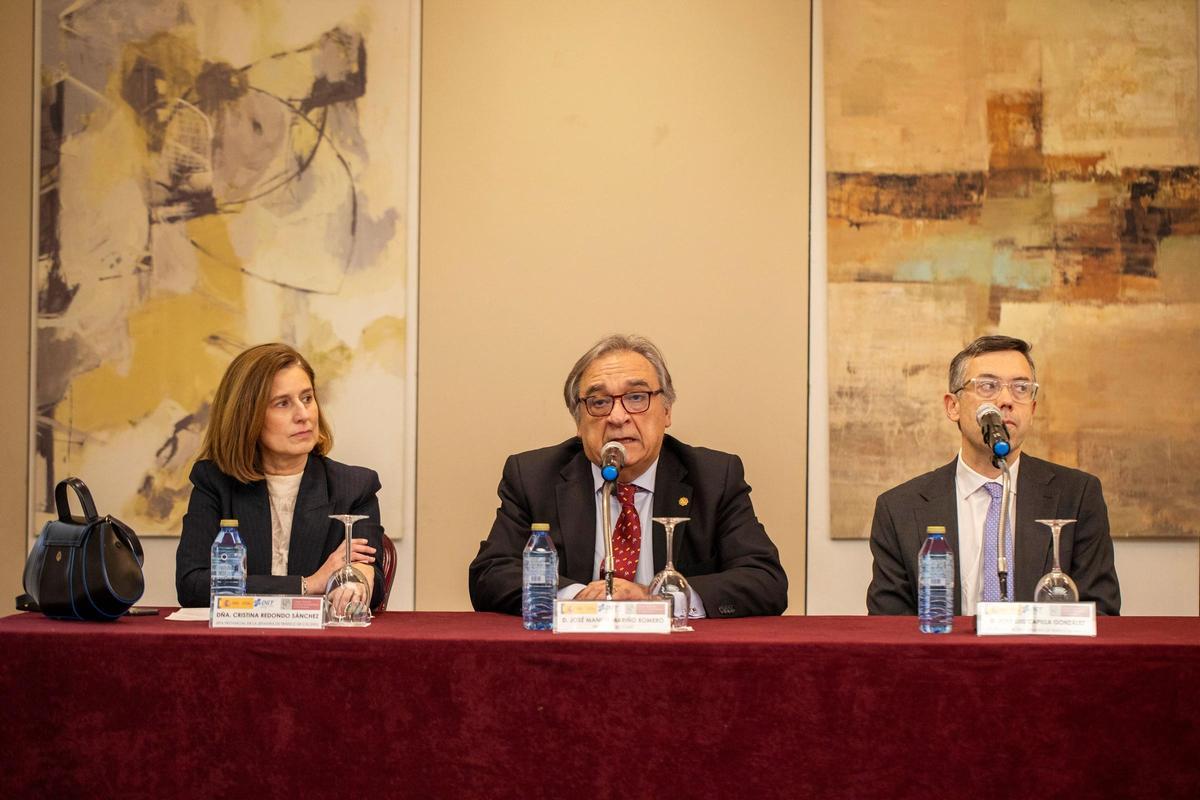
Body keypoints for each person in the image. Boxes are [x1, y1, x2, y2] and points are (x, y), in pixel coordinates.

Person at [469, 334, 788, 618]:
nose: (617, 417)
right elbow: (491, 572)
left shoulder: (714, 478)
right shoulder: (533, 477)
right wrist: (579, 596)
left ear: (666, 412)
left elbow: (765, 580)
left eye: (636, 397)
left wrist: (658, 598)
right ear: (579, 424)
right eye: (599, 402)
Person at [867, 335, 1121, 616]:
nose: (1006, 400)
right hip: (943, 659)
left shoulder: (1078, 496)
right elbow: (889, 626)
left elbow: (1101, 614)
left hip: (1043, 658)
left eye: (1021, 388)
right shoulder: (899, 508)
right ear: (953, 406)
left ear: (1032, 410)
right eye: (988, 386)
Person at [176, 343, 384, 610]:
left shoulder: (354, 487)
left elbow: (367, 573)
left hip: (319, 645)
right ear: (247, 416)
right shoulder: (215, 483)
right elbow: (192, 585)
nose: (304, 415)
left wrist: (356, 581)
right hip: (235, 644)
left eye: (307, 398)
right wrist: (307, 584)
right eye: (283, 403)